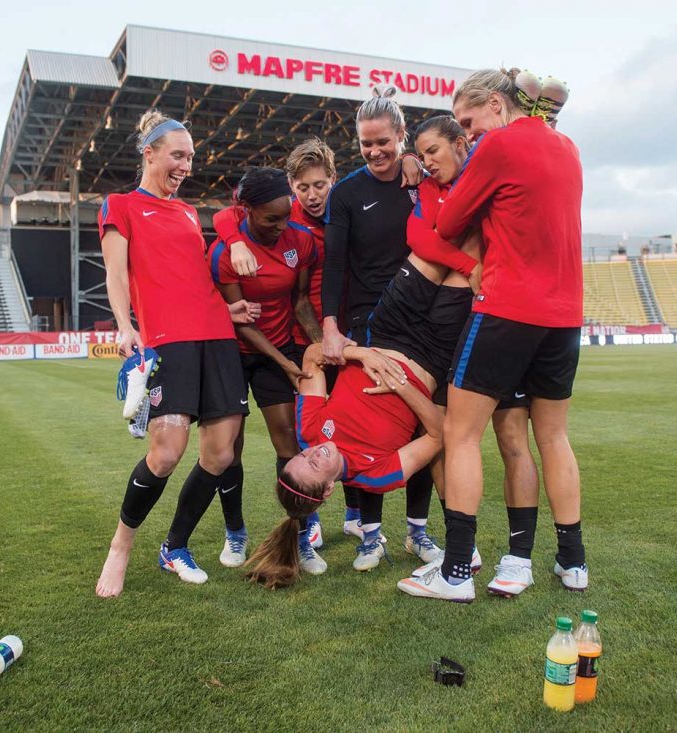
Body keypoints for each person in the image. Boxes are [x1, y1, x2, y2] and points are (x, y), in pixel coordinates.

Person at [398, 68, 586, 603]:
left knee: (459, 433)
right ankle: (571, 561)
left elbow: (449, 221)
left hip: (506, 310)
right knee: (551, 437)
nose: (467, 134)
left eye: (468, 120)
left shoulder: (497, 147)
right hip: (564, 316)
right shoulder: (568, 148)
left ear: (497, 105)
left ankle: (456, 572)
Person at [94, 108, 256, 595]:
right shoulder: (120, 205)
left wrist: (229, 311)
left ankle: (175, 547)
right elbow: (117, 275)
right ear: (150, 153)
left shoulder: (188, 212)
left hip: (217, 336)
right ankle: (120, 547)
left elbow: (195, 278)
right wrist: (125, 326)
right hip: (168, 341)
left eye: (191, 157)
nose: (186, 165)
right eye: (178, 155)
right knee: (165, 453)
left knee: (222, 453)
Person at [319, 85, 439, 569]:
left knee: (422, 423)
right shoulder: (347, 193)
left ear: (401, 136)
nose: (375, 152)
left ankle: (417, 531)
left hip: (428, 321)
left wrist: (415, 164)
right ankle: (371, 535)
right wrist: (332, 327)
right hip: (369, 324)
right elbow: (334, 266)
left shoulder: (421, 182)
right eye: (366, 144)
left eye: (384, 142)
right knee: (365, 430)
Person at [211, 139, 337, 554]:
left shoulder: (300, 241)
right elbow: (240, 321)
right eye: (272, 220)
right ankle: (235, 533)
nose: (281, 226)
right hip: (234, 352)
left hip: (279, 349)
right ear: (246, 212)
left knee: (289, 442)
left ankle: (303, 535)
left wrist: (324, 345)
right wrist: (286, 363)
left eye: (286, 218)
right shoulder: (224, 253)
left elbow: (300, 303)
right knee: (229, 448)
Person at [244, 342, 442, 589]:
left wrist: (363, 354)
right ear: (328, 489)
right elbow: (437, 436)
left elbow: (313, 357)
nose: (314, 452)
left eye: (303, 456)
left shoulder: (308, 431)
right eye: (315, 465)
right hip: (433, 355)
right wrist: (398, 384)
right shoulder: (375, 475)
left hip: (387, 334)